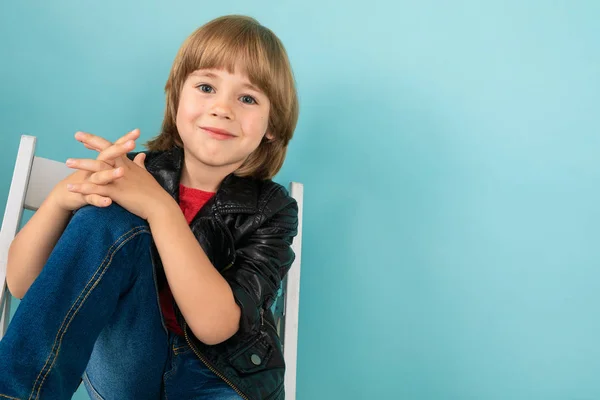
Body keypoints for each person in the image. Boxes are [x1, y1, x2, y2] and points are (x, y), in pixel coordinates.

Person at [0, 14, 299, 400]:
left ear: (272, 123)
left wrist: (160, 208)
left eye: (247, 98)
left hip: (220, 376)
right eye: (206, 86)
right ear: (177, 98)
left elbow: (215, 327)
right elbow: (26, 286)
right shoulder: (134, 174)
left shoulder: (273, 209)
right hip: (128, 361)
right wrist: (62, 198)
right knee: (105, 215)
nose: (222, 108)